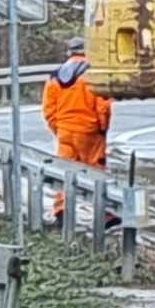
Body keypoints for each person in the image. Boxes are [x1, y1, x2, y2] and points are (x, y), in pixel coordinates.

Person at [41, 36, 111, 222]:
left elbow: (48, 109)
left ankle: (61, 210)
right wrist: (102, 129)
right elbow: (102, 107)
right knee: (96, 172)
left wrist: (58, 128)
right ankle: (105, 215)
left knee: (65, 172)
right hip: (89, 132)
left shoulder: (55, 77)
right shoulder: (93, 75)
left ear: (69, 52)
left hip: (64, 131)